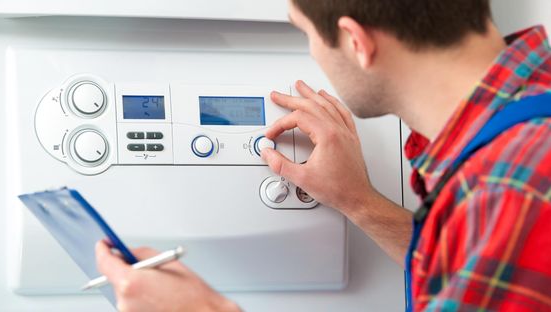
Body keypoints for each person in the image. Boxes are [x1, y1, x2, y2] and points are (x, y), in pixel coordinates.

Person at [96, 0, 551, 311]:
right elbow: (471, 268)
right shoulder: (522, 126)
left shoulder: (507, 190)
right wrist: (358, 201)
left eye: (306, 34)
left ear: (356, 41)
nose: (313, 53)